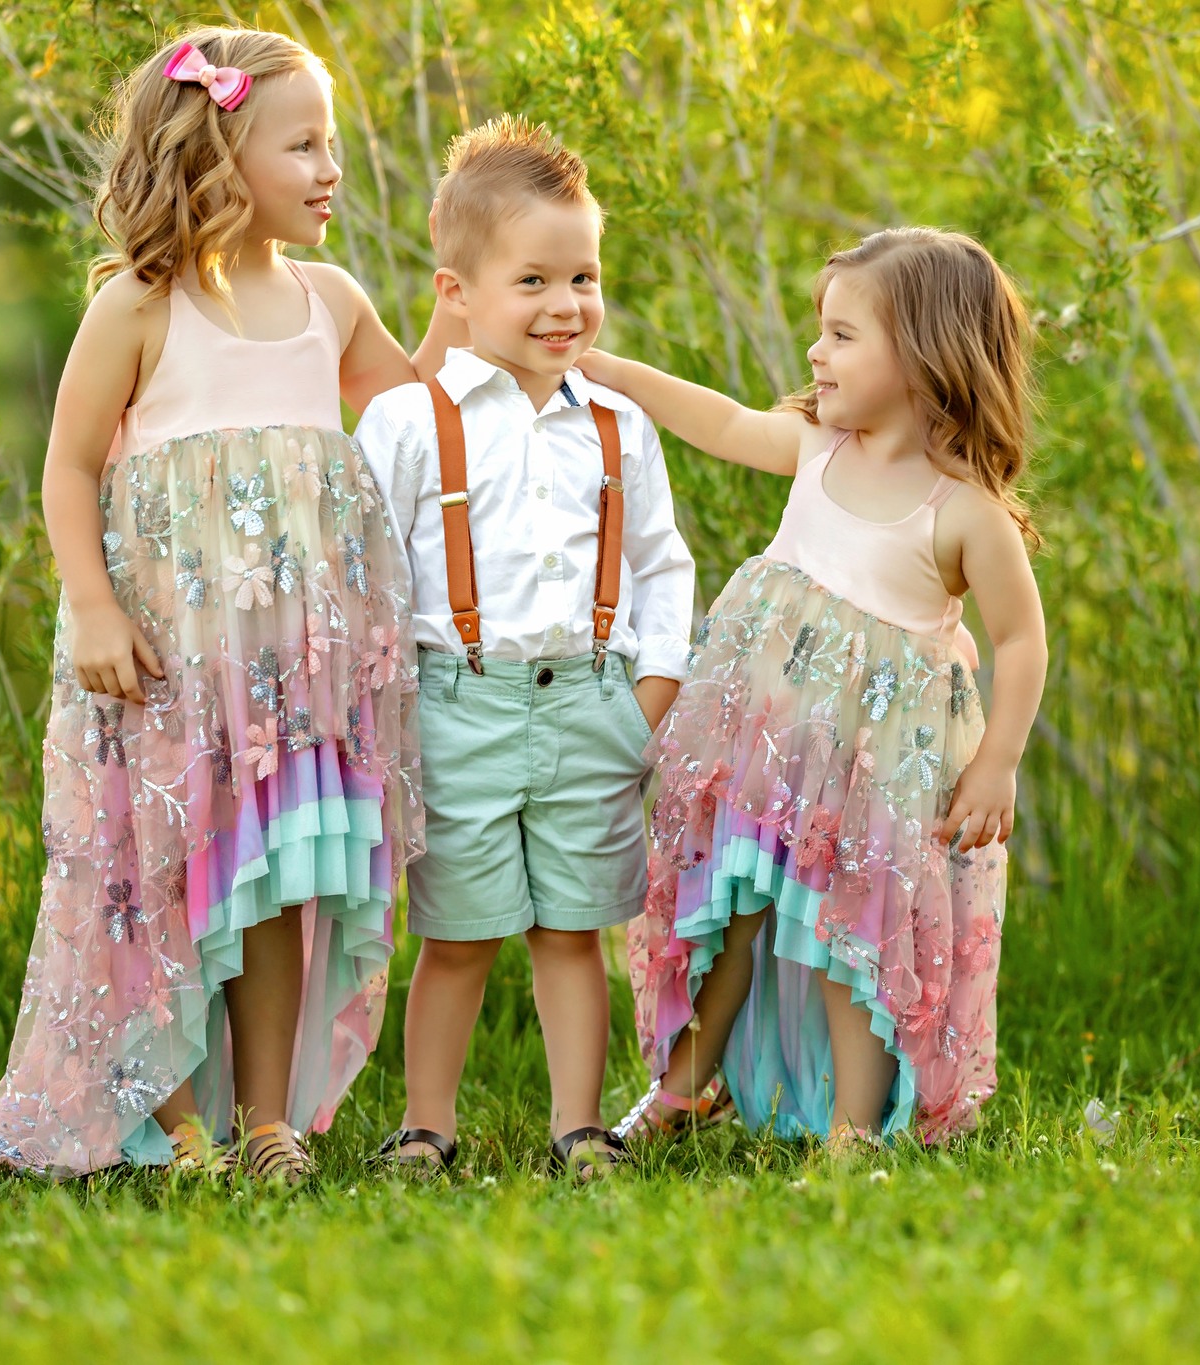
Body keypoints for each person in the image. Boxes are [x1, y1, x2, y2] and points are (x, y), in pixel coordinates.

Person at [0, 26, 423, 1182]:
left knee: (273, 884)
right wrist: (94, 608)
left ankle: (266, 1126)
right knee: (170, 877)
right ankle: (172, 1119)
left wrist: (476, 311)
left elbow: (414, 416)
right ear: (219, 153)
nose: (328, 168)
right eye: (301, 144)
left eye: (331, 143)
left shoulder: (331, 303)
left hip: (292, 685)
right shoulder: (141, 307)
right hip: (169, 667)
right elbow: (68, 470)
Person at [581, 227, 1048, 1151]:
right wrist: (612, 370)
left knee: (852, 937)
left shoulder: (961, 510)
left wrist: (998, 761)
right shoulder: (818, 446)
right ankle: (681, 1089)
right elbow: (721, 423)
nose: (815, 353)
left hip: (876, 772)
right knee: (734, 903)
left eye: (842, 335)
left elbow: (1021, 637)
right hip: (768, 748)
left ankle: (854, 1127)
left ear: (922, 354)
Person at [354, 115, 694, 1180]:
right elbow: (370, 577)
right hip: (457, 705)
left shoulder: (616, 424)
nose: (566, 306)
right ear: (455, 291)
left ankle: (577, 1127)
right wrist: (390, 714)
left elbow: (661, 560)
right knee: (455, 933)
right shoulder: (413, 422)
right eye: (533, 280)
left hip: (590, 700)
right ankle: (425, 1124)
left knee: (571, 930)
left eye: (583, 277)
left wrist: (647, 694)